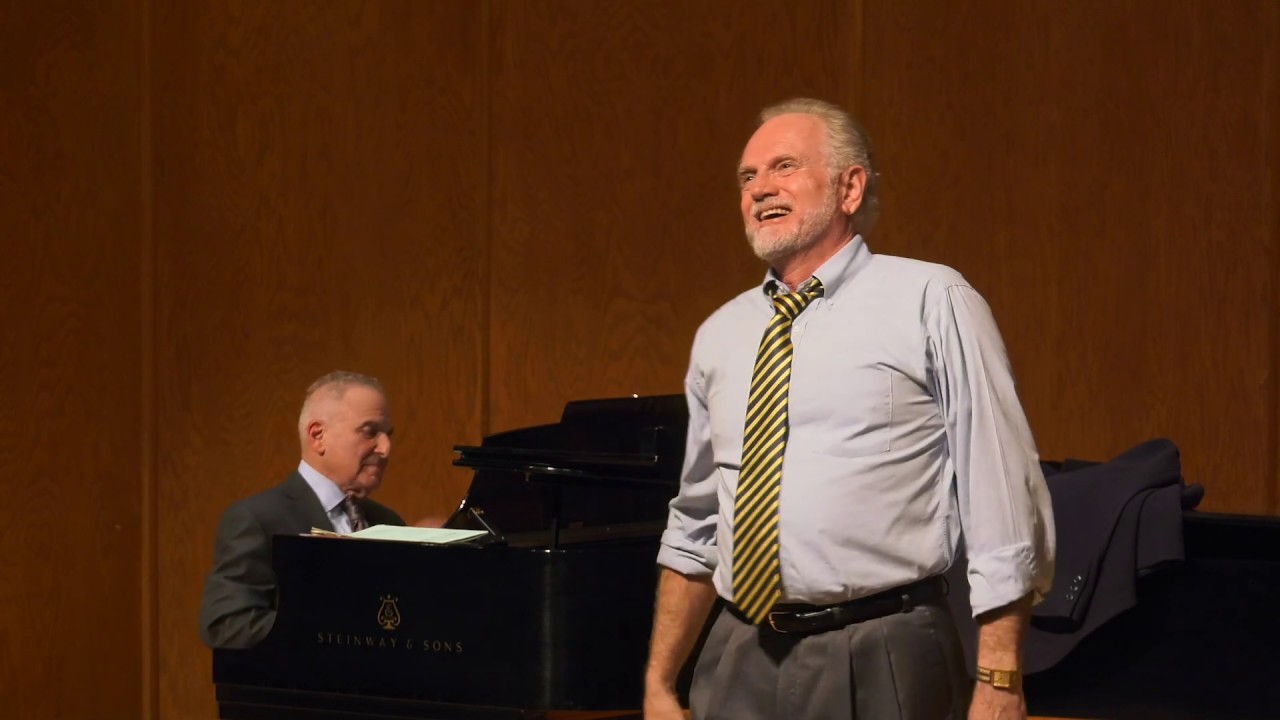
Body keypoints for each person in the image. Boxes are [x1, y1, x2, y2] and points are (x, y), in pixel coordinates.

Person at [644, 98, 1055, 720]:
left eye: (784, 167)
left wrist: (1000, 676)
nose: (760, 189)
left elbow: (1000, 491)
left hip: (881, 649)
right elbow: (697, 523)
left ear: (850, 187)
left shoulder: (930, 298)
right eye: (747, 177)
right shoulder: (721, 334)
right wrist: (660, 681)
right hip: (736, 652)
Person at [199, 370, 404, 649]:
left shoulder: (389, 522)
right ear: (318, 435)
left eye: (388, 435)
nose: (385, 448)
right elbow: (226, 624)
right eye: (370, 432)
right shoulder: (258, 520)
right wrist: (337, 631)